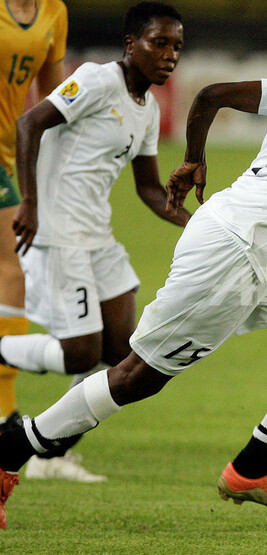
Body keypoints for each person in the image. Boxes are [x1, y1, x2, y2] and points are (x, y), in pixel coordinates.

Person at [0, 32, 267, 526]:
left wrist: (193, 158)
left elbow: (210, 96)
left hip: (248, 238)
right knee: (135, 378)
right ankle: (10, 450)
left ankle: (253, 468)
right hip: (233, 255)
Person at [0, 1, 187, 487]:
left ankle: (49, 451)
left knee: (127, 353)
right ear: (131, 44)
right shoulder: (98, 80)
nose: (169, 55)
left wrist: (200, 223)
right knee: (81, 355)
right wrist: (31, 204)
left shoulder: (144, 108)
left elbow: (148, 189)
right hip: (58, 234)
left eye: (176, 47)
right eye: (159, 43)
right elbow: (29, 123)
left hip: (97, 237)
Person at [0, 0, 67, 440]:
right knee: (12, 267)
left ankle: (4, 414)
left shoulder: (53, 11)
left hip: (9, 155)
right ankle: (5, 417)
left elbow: (53, 99)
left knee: (13, 270)